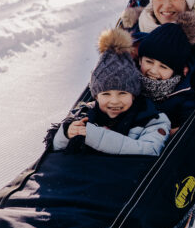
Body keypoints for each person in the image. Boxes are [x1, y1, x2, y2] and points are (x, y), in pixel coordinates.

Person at [52, 28, 171, 157]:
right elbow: (56, 150)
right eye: (106, 94)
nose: (114, 101)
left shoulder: (152, 118)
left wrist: (95, 136)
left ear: (134, 95)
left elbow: (150, 150)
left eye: (122, 93)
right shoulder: (85, 113)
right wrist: (66, 134)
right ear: (96, 96)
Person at [137, 16, 195, 133]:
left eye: (163, 66)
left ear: (176, 71)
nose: (153, 71)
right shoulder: (127, 80)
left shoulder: (184, 100)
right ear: (140, 60)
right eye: (149, 61)